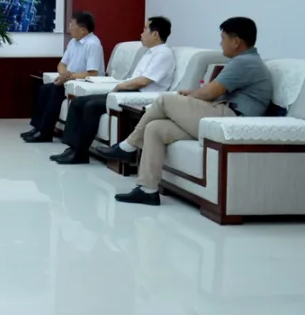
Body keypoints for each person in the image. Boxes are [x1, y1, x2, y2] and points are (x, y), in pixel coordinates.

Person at [95, 17, 273, 205]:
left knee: (165, 100)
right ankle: (147, 190)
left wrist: (189, 98)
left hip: (232, 118)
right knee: (155, 128)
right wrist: (191, 95)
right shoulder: (246, 61)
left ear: (236, 42)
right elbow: (212, 92)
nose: (220, 43)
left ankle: (128, 146)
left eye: (223, 38)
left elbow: (210, 92)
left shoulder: (244, 62)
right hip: (222, 115)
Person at [51, 17, 176, 165]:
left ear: (155, 34)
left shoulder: (163, 54)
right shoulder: (149, 52)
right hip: (128, 91)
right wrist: (121, 86)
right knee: (78, 102)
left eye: (145, 30)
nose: (141, 33)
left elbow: (144, 81)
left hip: (139, 95)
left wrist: (121, 86)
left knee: (91, 106)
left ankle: (80, 153)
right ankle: (72, 148)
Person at [24, 11, 105, 143]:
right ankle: (37, 128)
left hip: (87, 82)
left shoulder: (93, 44)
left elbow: (93, 73)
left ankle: (45, 132)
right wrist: (64, 75)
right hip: (71, 80)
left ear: (83, 30)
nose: (69, 28)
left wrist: (69, 76)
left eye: (72, 25)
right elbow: (62, 64)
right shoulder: (73, 42)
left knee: (55, 90)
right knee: (44, 89)